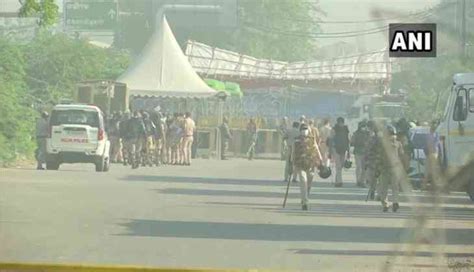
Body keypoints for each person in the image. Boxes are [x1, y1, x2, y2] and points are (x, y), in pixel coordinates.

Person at [292, 123, 322, 210]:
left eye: (306, 129)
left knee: (308, 183)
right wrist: (292, 163)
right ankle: (304, 201)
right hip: (300, 164)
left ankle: (306, 197)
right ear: (300, 130)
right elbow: (293, 152)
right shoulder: (296, 140)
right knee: (303, 181)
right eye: (303, 129)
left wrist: (320, 159)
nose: (304, 131)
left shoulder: (312, 139)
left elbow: (316, 149)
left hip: (311, 164)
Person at [375, 125, 404, 212]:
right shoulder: (398, 144)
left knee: (384, 188)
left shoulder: (383, 144)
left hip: (384, 169)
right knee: (395, 187)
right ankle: (395, 202)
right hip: (395, 168)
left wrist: (377, 168)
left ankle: (385, 204)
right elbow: (402, 156)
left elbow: (379, 157)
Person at [329, 117, 350, 187]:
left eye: (341, 122)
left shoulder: (344, 129)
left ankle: (337, 180)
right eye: (340, 122)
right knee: (338, 166)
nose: (341, 123)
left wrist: (348, 151)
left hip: (342, 149)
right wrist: (330, 151)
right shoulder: (336, 129)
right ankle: (339, 181)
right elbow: (331, 140)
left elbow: (348, 140)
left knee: (340, 166)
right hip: (336, 149)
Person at [351, 121, 370, 187]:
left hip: (365, 152)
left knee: (364, 168)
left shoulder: (368, 133)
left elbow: (370, 142)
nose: (363, 127)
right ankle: (358, 181)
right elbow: (352, 142)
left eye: (364, 126)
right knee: (358, 167)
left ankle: (362, 181)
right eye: (362, 126)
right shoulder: (356, 133)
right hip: (358, 152)